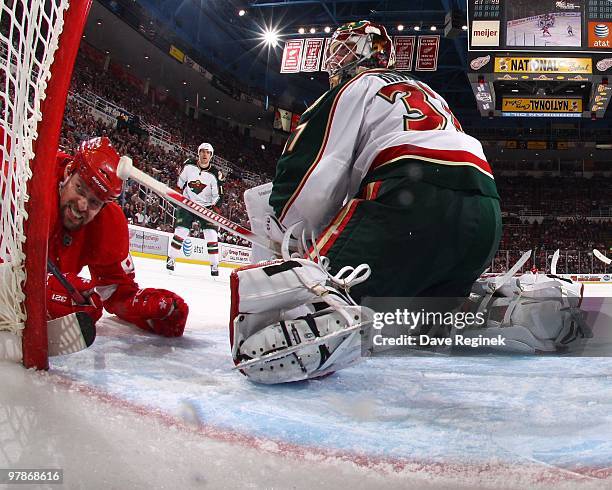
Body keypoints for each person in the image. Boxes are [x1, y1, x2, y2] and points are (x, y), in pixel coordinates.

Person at [230, 20, 502, 384]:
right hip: (485, 216)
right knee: (412, 327)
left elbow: (316, 170)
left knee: (307, 303)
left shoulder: (354, 87)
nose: (334, 61)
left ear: (361, 53)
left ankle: (323, 315)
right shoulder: (429, 92)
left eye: (342, 49)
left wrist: (287, 229)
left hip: (413, 201)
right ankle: (493, 312)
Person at [47, 137, 189, 339]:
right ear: (69, 172)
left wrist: (143, 307)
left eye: (94, 202)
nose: (82, 206)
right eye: (79, 189)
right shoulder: (29, 177)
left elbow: (114, 290)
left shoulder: (107, 224)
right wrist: (40, 290)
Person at [166, 143, 222, 276]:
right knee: (181, 232)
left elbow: (218, 195)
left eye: (207, 152)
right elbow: (180, 184)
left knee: (211, 235)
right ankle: (171, 259)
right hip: (188, 204)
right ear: (198, 153)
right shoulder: (189, 165)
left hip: (206, 207)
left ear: (211, 155)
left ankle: (214, 265)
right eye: (202, 151)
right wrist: (177, 195)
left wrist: (214, 208)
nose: (204, 154)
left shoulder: (215, 174)